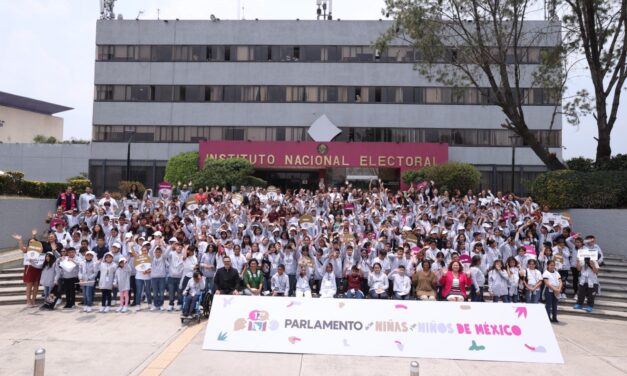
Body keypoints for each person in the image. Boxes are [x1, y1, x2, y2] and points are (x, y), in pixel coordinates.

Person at [13, 231, 44, 307]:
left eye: (33, 242)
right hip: (29, 268)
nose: (32, 243)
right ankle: (28, 301)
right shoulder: (27, 249)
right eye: (30, 242)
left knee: (36, 285)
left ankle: (33, 300)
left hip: (37, 268)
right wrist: (20, 240)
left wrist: (34, 236)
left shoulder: (39, 249)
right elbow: (21, 248)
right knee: (29, 285)